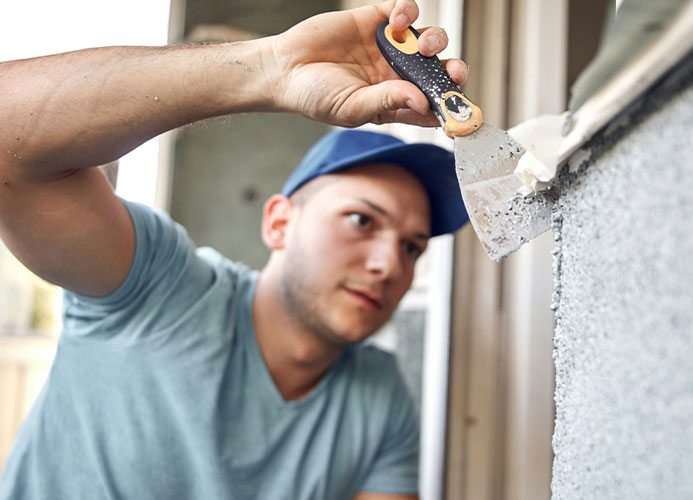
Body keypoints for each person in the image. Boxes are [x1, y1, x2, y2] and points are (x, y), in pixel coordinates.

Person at [0, 1, 469, 499]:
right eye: (361, 220)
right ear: (280, 223)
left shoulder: (381, 398)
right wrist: (273, 68)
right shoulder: (155, 288)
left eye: (412, 246)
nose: (389, 264)